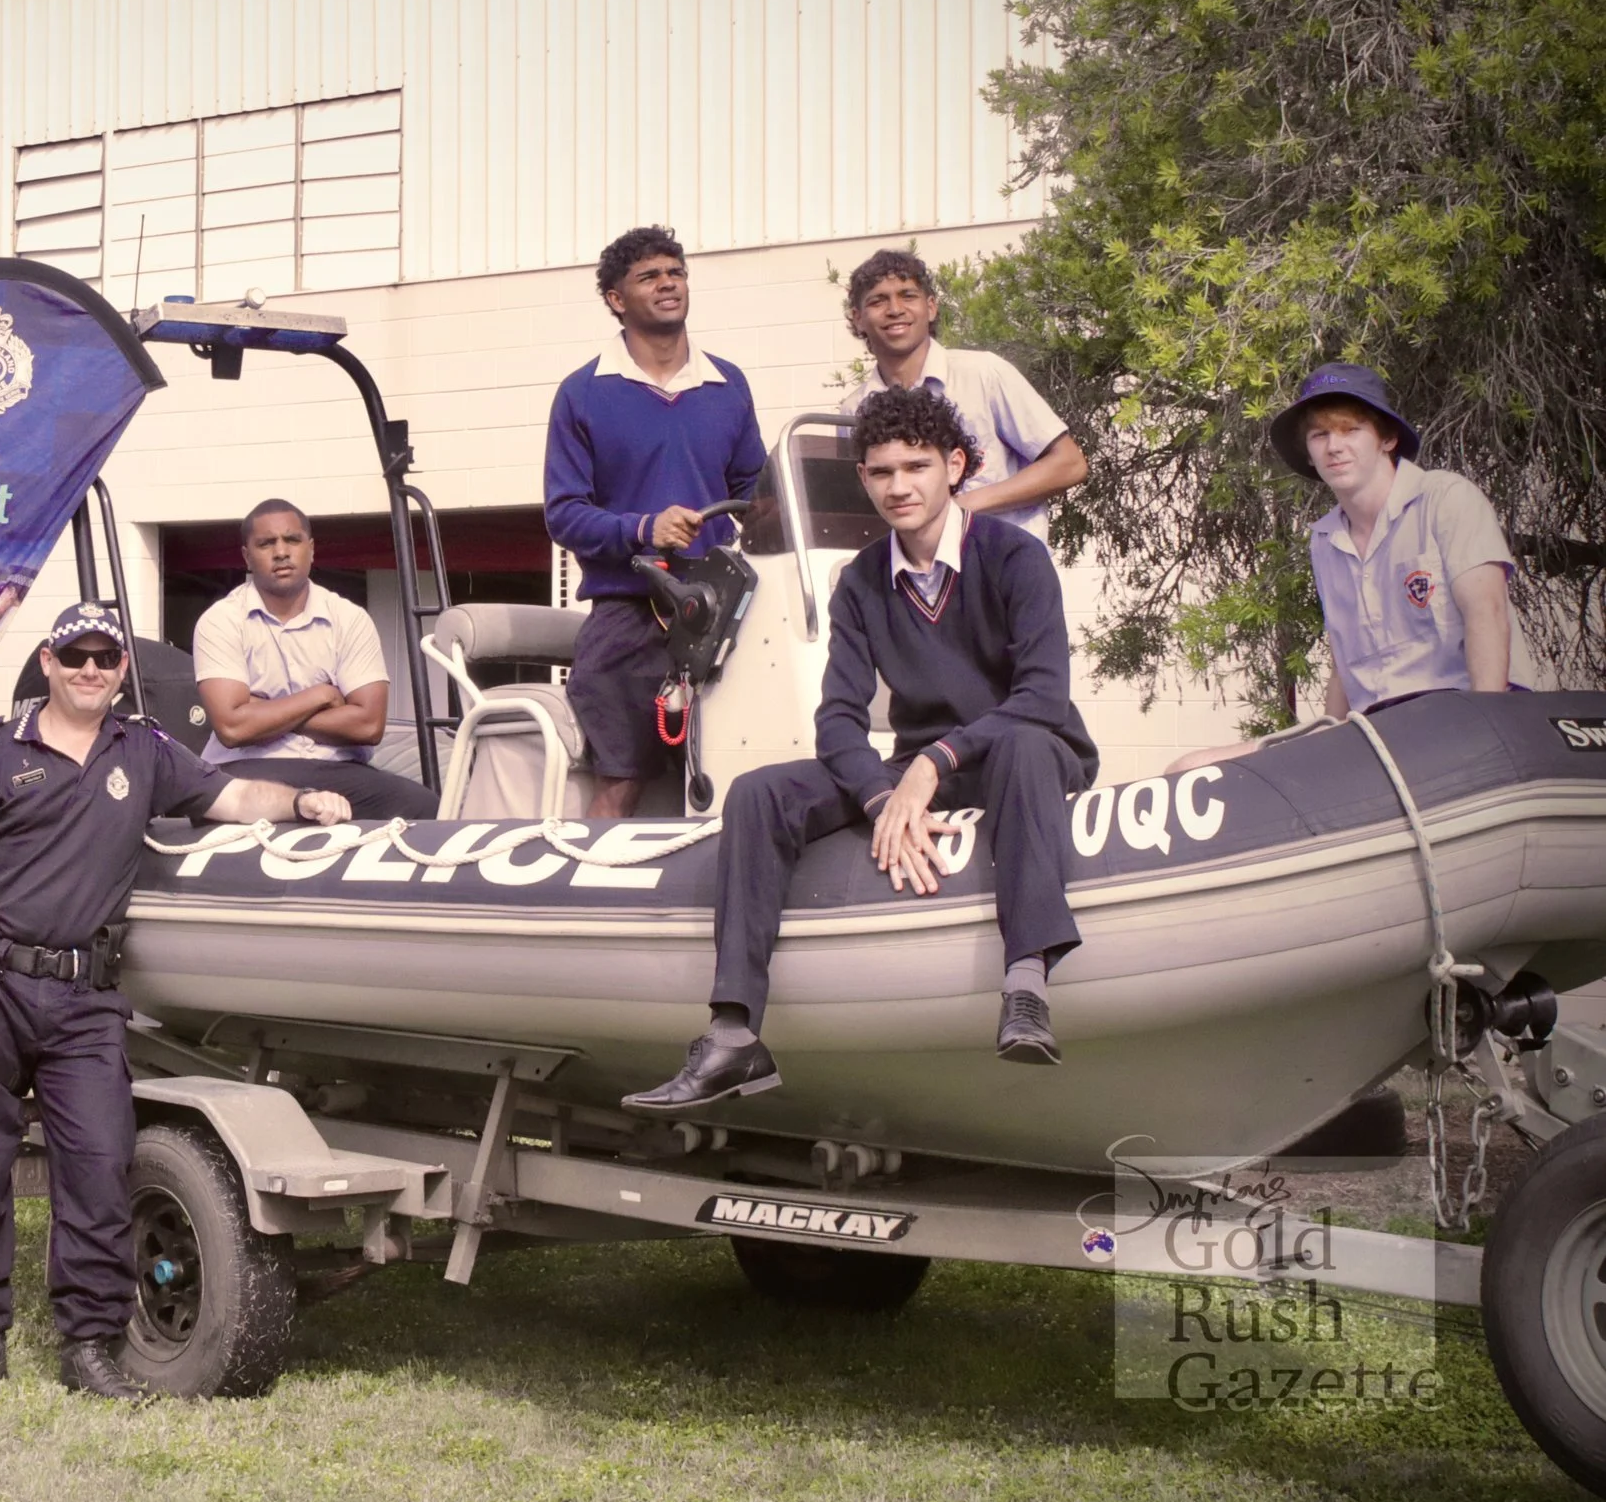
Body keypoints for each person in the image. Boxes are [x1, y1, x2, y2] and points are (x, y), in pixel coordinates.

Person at [0, 604, 353, 1398]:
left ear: (122, 667)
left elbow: (229, 797)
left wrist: (302, 802)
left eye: (105, 657)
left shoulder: (144, 750)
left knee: (98, 1169)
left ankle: (88, 1343)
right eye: (76, 655)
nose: (91, 669)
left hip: (86, 997)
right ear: (48, 660)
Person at [625, 387, 1099, 1113]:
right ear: (865, 479)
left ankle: (1027, 986)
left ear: (956, 467)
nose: (899, 486)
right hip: (917, 773)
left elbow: (1039, 694)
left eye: (916, 466)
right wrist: (883, 799)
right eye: (881, 472)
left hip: (1023, 747)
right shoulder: (862, 582)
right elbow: (838, 720)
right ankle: (734, 1032)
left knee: (1025, 749)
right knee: (759, 791)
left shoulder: (1015, 558)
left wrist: (929, 766)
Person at [1170, 364, 1531, 773]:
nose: (1334, 447)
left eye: (1350, 430)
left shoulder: (1446, 499)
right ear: (1309, 452)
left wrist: (1489, 732)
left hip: (1456, 713)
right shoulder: (1325, 540)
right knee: (1190, 766)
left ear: (1387, 439)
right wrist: (1330, 751)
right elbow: (1347, 666)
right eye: (1320, 435)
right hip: (1377, 732)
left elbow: (1488, 613)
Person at [545, 226, 767, 817]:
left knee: (742, 766)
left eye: (676, 271)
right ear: (617, 299)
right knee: (619, 785)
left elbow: (757, 496)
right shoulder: (582, 393)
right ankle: (589, 899)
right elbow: (564, 514)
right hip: (628, 614)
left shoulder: (729, 385)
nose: (668, 283)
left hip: (721, 612)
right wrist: (644, 529)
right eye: (649, 276)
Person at [193, 498, 439, 821]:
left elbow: (368, 725)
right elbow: (233, 728)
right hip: (243, 770)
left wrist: (264, 709)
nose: (281, 552)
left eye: (292, 540)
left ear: (311, 549)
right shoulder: (220, 620)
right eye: (266, 543)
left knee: (425, 808)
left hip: (337, 770)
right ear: (247, 557)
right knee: (208, 808)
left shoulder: (349, 618)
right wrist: (320, 696)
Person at [838, 248, 1086, 546]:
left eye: (907, 295)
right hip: (915, 582)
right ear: (858, 319)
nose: (895, 309)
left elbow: (1070, 464)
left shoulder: (983, 373)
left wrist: (958, 508)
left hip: (1001, 569)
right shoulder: (853, 410)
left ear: (931, 307)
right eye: (878, 301)